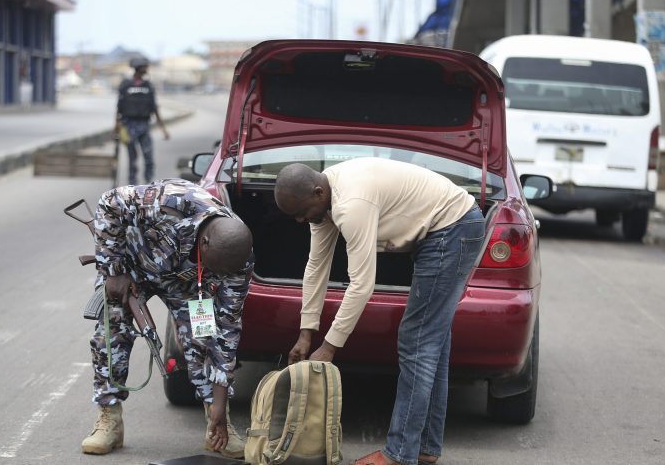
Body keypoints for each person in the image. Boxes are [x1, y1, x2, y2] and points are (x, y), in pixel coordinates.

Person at [274, 157, 485, 465]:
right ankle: (425, 447)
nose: (299, 220)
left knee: (417, 342)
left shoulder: (351, 204)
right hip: (450, 227)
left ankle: (400, 454)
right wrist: (307, 333)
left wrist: (329, 347)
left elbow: (361, 285)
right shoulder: (323, 200)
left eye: (301, 212)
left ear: (318, 193)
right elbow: (316, 266)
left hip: (453, 228)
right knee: (432, 345)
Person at [81, 178, 254, 457]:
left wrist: (220, 400)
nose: (221, 277)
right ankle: (109, 419)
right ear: (205, 241)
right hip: (133, 267)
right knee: (110, 333)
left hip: (189, 285)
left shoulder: (238, 258)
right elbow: (108, 203)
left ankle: (217, 425)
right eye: (216, 269)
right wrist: (113, 270)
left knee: (205, 337)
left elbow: (227, 330)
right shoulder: (168, 201)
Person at [116, 57, 170, 184]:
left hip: (144, 125)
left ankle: (148, 182)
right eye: (145, 67)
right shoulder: (125, 85)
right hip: (128, 126)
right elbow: (119, 107)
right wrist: (116, 125)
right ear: (139, 68)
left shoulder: (149, 86)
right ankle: (132, 184)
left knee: (148, 156)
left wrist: (163, 129)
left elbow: (154, 108)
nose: (147, 69)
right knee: (132, 157)